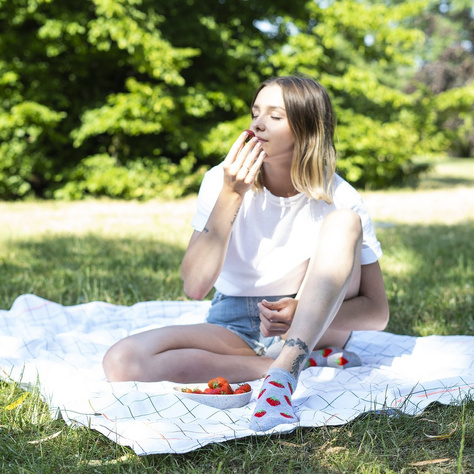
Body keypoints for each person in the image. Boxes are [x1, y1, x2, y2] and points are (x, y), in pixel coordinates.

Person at [102, 75, 389, 431]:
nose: (257, 124)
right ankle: (294, 366)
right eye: (255, 112)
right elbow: (195, 286)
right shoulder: (220, 181)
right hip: (233, 324)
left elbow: (377, 314)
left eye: (275, 115)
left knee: (343, 222)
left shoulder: (342, 197)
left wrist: (301, 312)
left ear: (307, 128)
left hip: (317, 322)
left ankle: (284, 375)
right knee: (123, 361)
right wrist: (231, 194)